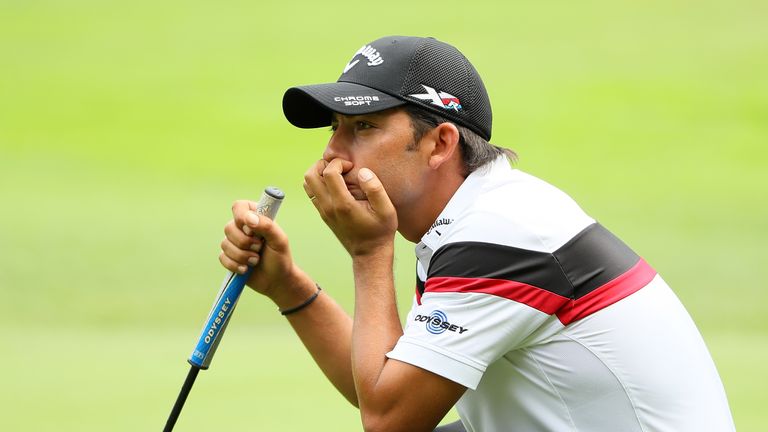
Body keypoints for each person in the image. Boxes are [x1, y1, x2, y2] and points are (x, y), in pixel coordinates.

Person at [219, 36, 735, 431]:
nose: (332, 154)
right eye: (335, 128)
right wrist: (287, 284)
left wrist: (368, 251)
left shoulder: (497, 237)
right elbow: (389, 381)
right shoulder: (476, 218)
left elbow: (389, 417)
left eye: (364, 128)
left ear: (440, 143)